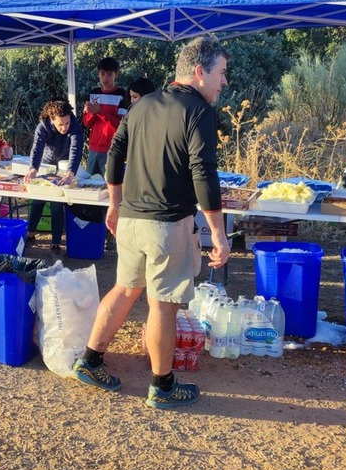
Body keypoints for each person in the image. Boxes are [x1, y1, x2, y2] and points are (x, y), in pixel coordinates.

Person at [71, 34, 231, 409]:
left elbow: (113, 156)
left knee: (125, 289)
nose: (224, 82)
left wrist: (114, 205)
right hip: (166, 224)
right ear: (199, 71)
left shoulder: (141, 106)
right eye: (221, 73)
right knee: (163, 304)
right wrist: (219, 235)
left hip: (130, 218)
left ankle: (90, 359)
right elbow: (203, 174)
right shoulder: (199, 113)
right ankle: (162, 385)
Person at [23, 99, 84, 253]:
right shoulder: (42, 126)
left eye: (67, 123)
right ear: (52, 120)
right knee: (38, 200)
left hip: (64, 165)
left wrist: (71, 172)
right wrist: (33, 168)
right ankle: (30, 233)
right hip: (46, 163)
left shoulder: (74, 124)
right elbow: (36, 148)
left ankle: (56, 242)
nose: (64, 128)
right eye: (60, 124)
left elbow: (76, 149)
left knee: (57, 204)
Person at [81, 57, 130, 176]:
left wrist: (100, 112)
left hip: (113, 149)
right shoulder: (93, 93)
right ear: (98, 74)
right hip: (93, 148)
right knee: (90, 184)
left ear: (116, 74)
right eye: (102, 74)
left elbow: (122, 125)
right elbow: (86, 123)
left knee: (109, 187)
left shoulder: (123, 95)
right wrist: (92, 113)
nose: (105, 78)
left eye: (109, 74)